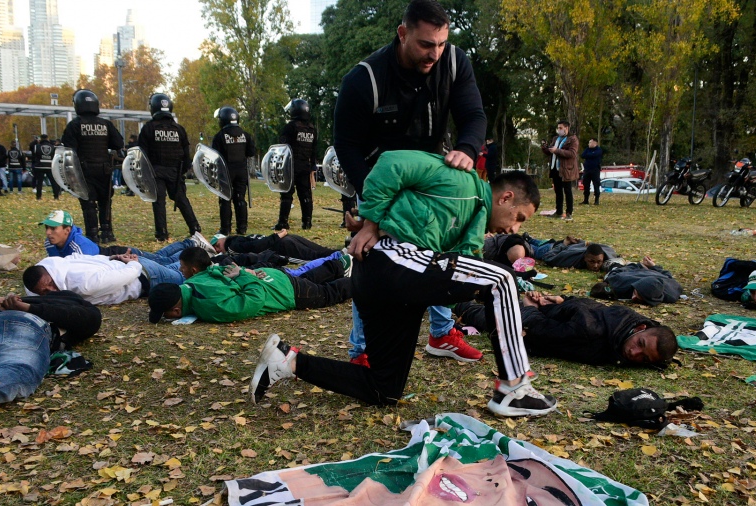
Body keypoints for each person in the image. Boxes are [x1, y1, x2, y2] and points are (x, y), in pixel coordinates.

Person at [249, 150, 557, 417]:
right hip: (389, 264)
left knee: (384, 389)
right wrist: (371, 220)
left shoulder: (472, 229)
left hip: (387, 286)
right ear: (506, 197)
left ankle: (288, 362)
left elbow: (454, 277)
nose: (513, 228)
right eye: (518, 218)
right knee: (501, 279)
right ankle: (514, 389)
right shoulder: (463, 182)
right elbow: (392, 163)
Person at [333, 0, 488, 366]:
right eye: (425, 44)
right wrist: (373, 210)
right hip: (379, 177)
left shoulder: (453, 62)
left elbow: (473, 114)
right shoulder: (364, 79)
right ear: (403, 34)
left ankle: (441, 332)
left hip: (430, 177)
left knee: (442, 245)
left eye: (441, 44)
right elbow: (347, 145)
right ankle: (363, 350)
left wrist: (466, 148)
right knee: (372, 250)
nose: (434, 53)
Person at [0, 290, 101, 445]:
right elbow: (90, 320)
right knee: (19, 367)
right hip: (22, 323)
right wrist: (28, 308)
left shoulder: (10, 300)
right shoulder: (71, 303)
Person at [455, 293, 678, 367]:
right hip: (538, 320)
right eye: (640, 345)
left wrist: (563, 300)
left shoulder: (635, 323)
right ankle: (459, 301)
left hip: (560, 309)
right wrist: (531, 308)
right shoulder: (590, 334)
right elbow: (539, 329)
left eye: (645, 358)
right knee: (489, 317)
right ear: (640, 329)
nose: (634, 354)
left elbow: (596, 306)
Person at [147, 249, 351, 324]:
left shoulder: (209, 306)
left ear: (175, 310)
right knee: (307, 277)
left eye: (166, 315)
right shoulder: (192, 281)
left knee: (327, 294)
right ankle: (341, 263)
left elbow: (254, 299)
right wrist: (243, 274)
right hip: (275, 277)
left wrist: (244, 276)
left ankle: (362, 281)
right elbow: (221, 271)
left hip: (282, 292)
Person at [61, 89, 125, 245]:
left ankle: (92, 234)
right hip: (104, 169)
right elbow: (118, 143)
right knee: (105, 202)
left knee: (88, 203)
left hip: (84, 170)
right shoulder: (106, 124)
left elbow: (68, 149)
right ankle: (107, 232)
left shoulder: (75, 125)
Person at [138, 93, 201, 241]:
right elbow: (186, 154)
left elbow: (141, 153)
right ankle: (195, 228)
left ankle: (162, 233)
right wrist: (182, 171)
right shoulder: (179, 129)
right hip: (175, 171)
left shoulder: (149, 128)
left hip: (156, 171)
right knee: (181, 199)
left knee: (159, 202)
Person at [41, 209, 215, 261]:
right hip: (112, 254)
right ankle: (192, 243)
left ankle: (192, 245)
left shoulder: (78, 248)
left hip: (118, 255)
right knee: (159, 256)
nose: (49, 233)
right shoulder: (50, 243)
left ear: (67, 230)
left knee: (161, 260)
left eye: (53, 228)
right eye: (47, 228)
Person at [23, 251, 185, 306]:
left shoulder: (84, 285)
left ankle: (208, 255)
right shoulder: (54, 264)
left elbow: (126, 275)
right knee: (172, 262)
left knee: (183, 273)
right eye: (43, 291)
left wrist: (133, 264)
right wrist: (112, 258)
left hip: (144, 275)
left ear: (50, 274)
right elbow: (83, 257)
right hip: (130, 264)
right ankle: (202, 249)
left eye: (50, 284)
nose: (51, 291)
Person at [272, 99, 317, 230]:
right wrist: (312, 167)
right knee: (306, 195)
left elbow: (282, 147)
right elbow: (314, 150)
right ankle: (307, 222)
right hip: (305, 165)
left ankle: (283, 222)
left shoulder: (290, 127)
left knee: (286, 194)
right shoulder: (312, 129)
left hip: (290, 166)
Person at [212, 106, 256, 235]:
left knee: (225, 200)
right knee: (240, 199)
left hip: (225, 172)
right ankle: (242, 228)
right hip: (241, 171)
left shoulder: (219, 136)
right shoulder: (245, 135)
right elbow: (251, 152)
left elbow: (214, 155)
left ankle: (225, 229)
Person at [591, 256, 682, 306]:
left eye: (639, 296)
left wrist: (654, 267)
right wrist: (652, 266)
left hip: (650, 273)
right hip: (626, 272)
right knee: (612, 270)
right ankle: (619, 261)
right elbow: (613, 275)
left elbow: (668, 276)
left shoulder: (671, 294)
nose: (633, 297)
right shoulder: (621, 284)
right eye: (635, 292)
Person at [211, 229, 337, 261]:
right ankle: (346, 252)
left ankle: (344, 255)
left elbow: (257, 246)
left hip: (282, 245)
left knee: (316, 256)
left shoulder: (233, 247)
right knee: (321, 252)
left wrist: (277, 236)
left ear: (222, 239)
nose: (218, 250)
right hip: (285, 239)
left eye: (217, 245)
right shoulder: (236, 241)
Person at [540, 120, 579, 220]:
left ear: (567, 128)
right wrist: (545, 148)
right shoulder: (556, 138)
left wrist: (556, 151)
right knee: (558, 191)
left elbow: (572, 154)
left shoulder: (573, 139)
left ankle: (569, 213)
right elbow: (550, 152)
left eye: (561, 128)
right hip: (555, 168)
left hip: (566, 169)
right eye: (558, 128)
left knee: (567, 191)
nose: (559, 130)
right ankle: (559, 211)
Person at [523, 234, 622, 271]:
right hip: (551, 249)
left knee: (543, 241)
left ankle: (530, 238)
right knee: (529, 248)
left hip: (564, 244)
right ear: (585, 258)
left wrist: (580, 242)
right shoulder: (570, 258)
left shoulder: (608, 252)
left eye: (599, 262)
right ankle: (526, 240)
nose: (596, 266)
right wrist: (564, 244)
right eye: (591, 262)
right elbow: (547, 257)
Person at [32, 134, 60, 200]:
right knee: (53, 182)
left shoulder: (37, 146)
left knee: (39, 182)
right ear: (47, 138)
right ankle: (56, 196)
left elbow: (34, 156)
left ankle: (39, 196)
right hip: (50, 166)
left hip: (39, 166)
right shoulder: (53, 147)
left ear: (41, 139)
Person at [581, 138, 603, 205]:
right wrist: (590, 155)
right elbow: (582, 155)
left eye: (590, 142)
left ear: (595, 143)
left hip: (595, 170)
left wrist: (589, 155)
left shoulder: (599, 150)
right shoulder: (587, 149)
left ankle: (596, 200)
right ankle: (586, 200)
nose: (589, 144)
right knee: (586, 185)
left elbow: (594, 155)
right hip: (587, 170)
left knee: (596, 185)